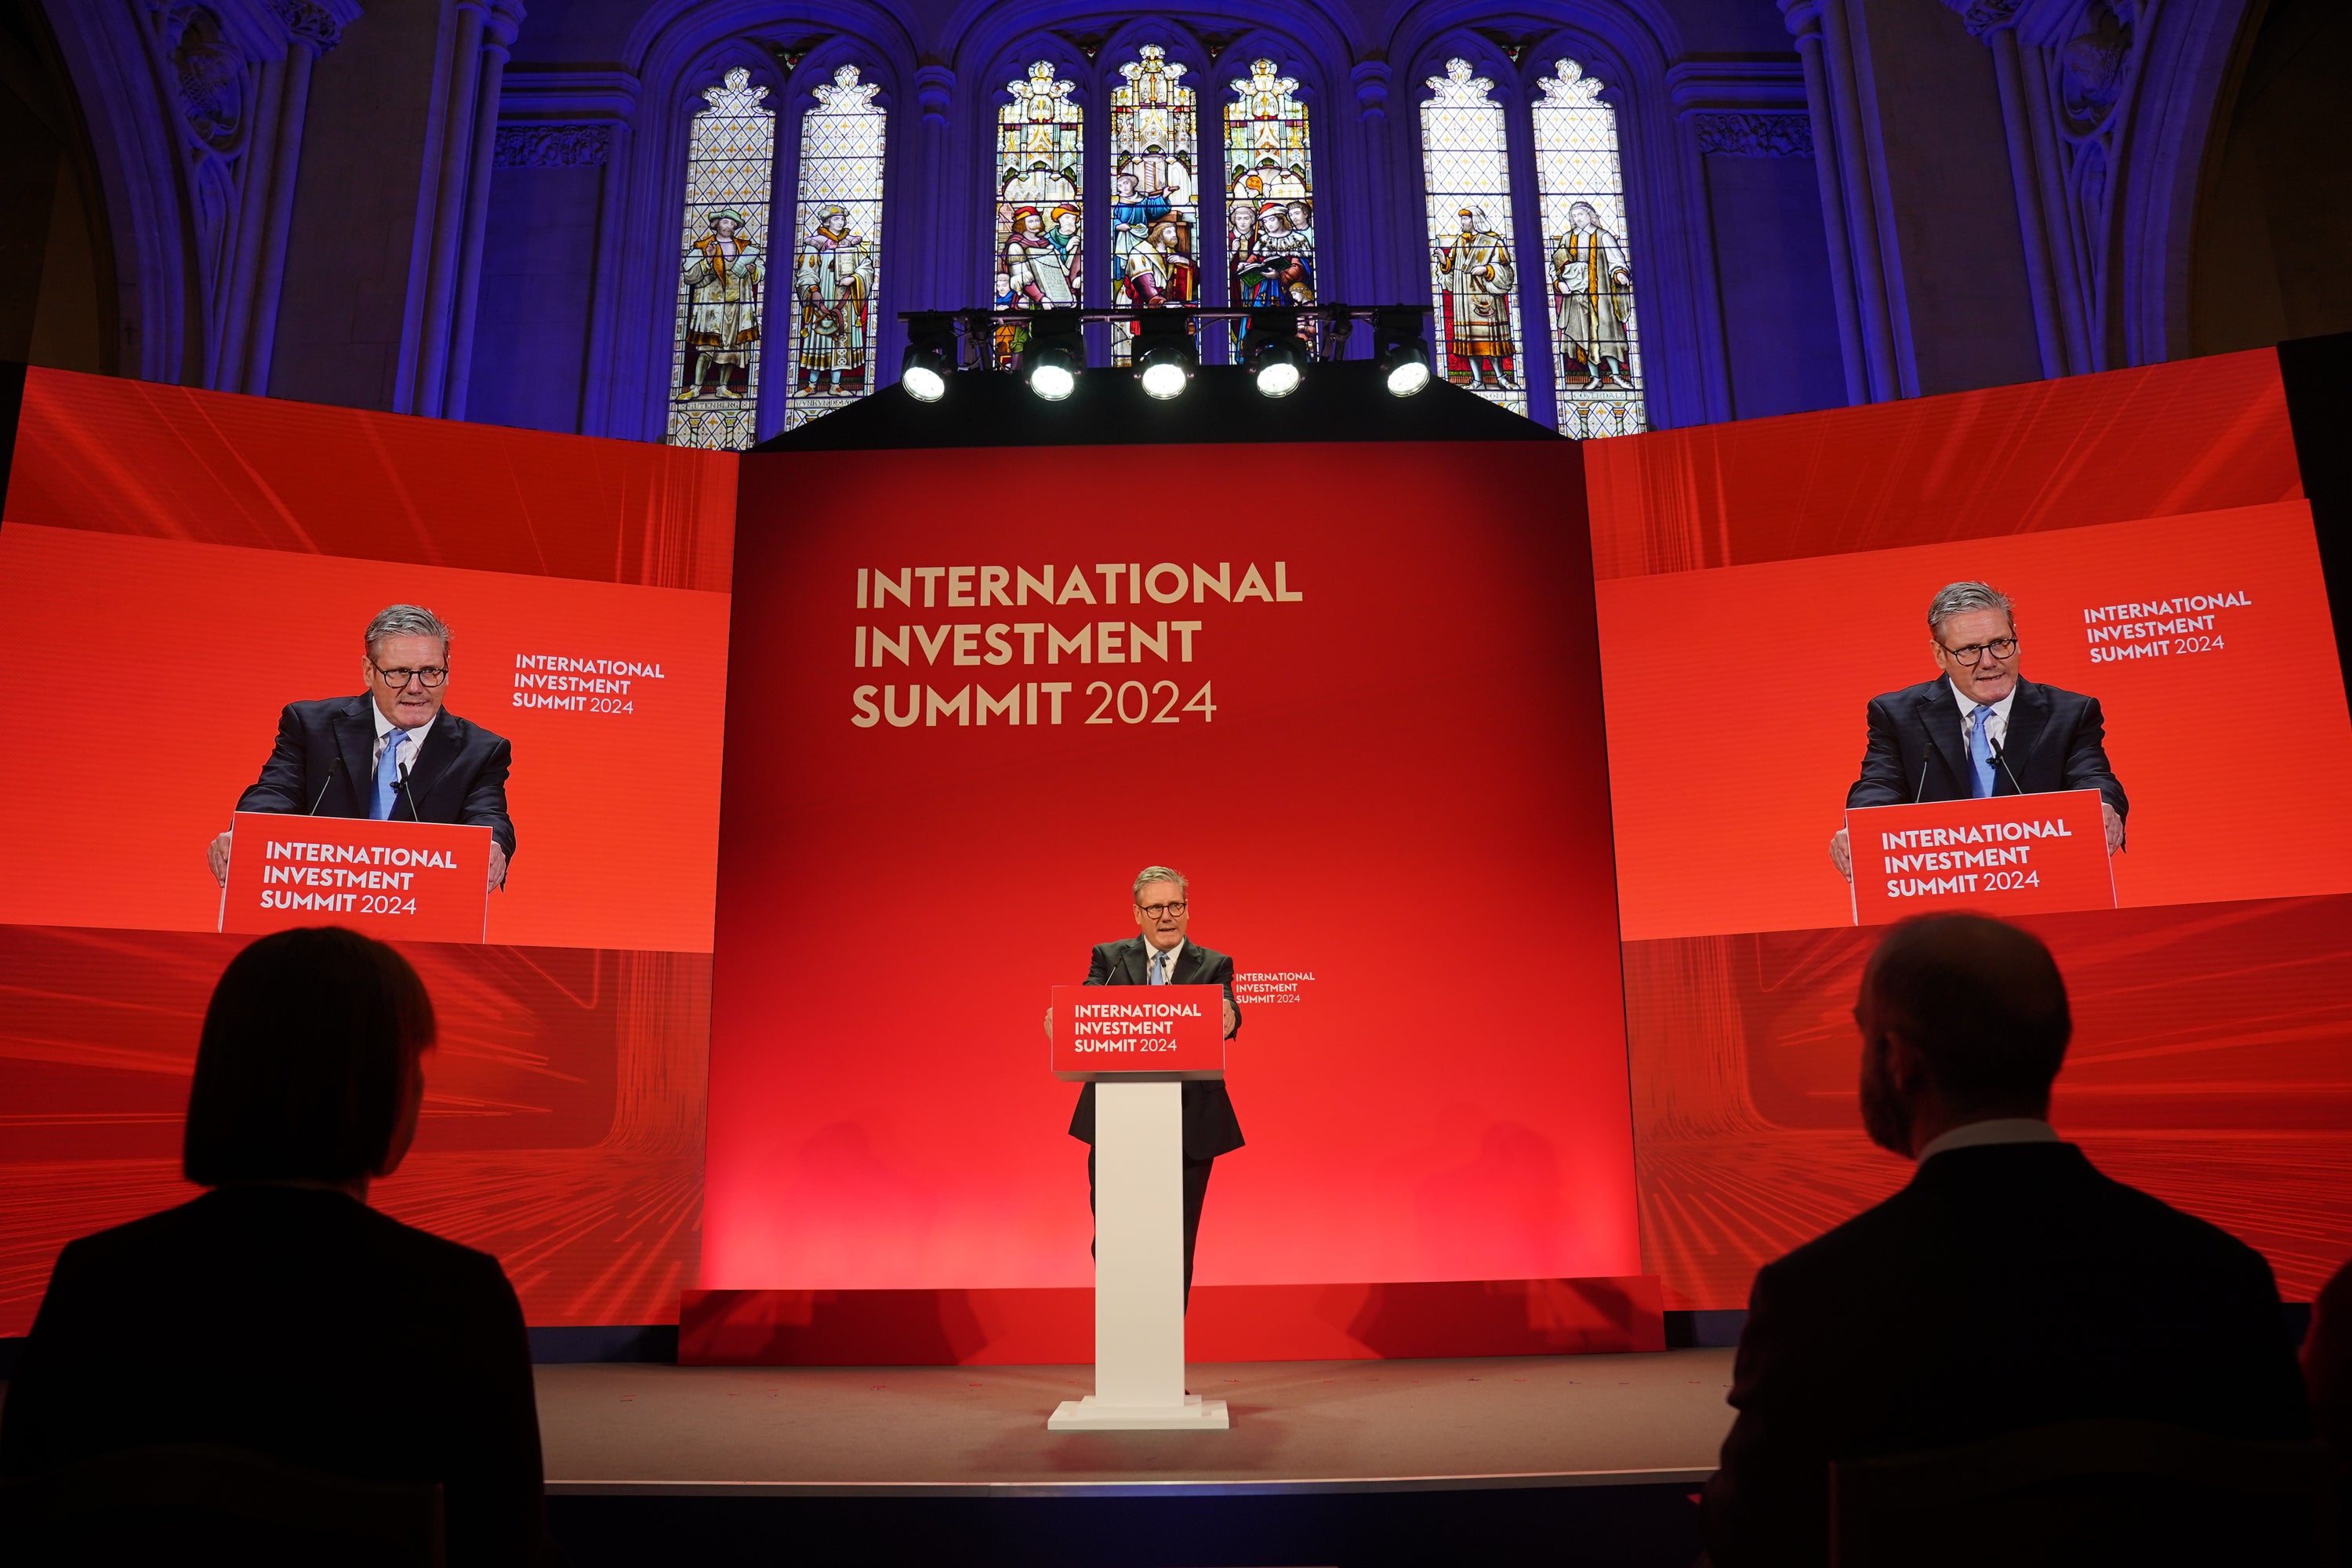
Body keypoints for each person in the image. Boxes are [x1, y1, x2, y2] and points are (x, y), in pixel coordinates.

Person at [1700, 913, 2309, 1566]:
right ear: (2057, 1045)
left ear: (1900, 1061)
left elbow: (1749, 1544)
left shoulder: (1813, 1300)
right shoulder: (2224, 1279)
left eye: (1865, 1036)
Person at [0, 927, 560, 1566]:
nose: (424, 1087)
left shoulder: (94, 1282)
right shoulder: (462, 1299)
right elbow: (504, 1546)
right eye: (415, 1059)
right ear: (382, 1082)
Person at [209, 604, 514, 894]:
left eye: (431, 672)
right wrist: (248, 834)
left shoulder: (481, 750)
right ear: (369, 671)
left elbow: (487, 815)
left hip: (418, 908)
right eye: (399, 672)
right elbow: (277, 791)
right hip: (320, 898)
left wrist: (492, 846)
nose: (416, 687)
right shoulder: (312, 726)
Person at [1830, 581, 2126, 880]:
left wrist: (2101, 806)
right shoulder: (1897, 715)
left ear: (2017, 641)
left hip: (2045, 876)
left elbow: (2091, 777)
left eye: (2000, 643)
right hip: (1943, 882)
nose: (1989, 662)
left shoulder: (2070, 713)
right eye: (1970, 650)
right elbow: (1881, 785)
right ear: (1940, 654)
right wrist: (1859, 829)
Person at [1054, 866, 1242, 1301]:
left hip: (1189, 1120)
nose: (1166, 916)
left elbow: (1227, 1005)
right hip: (1119, 1116)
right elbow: (1088, 1002)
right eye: (1155, 907)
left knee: (1179, 1239)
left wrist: (1230, 1016)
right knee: (1114, 1235)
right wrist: (1065, 1022)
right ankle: (1126, 1322)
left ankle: (1167, 1337)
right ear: (1137, 914)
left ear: (1187, 910)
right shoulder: (1110, 957)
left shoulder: (1213, 963)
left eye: (1175, 905)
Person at [1551, 200, 1634, 388]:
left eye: (1580, 214)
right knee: (1583, 336)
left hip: (1601, 295)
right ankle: (1595, 377)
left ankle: (1616, 375)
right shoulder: (1567, 238)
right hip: (1577, 298)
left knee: (1607, 334)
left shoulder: (1603, 236)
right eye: (1573, 216)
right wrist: (1559, 282)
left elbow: (1616, 260)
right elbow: (1556, 265)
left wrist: (1620, 273)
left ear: (1591, 215)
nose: (1576, 218)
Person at [1433, 207, 1517, 390]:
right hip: (1464, 300)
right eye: (1462, 219)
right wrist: (1443, 260)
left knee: (1491, 341)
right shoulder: (1459, 242)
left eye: (1465, 219)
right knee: (1471, 342)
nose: (1462, 223)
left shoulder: (1492, 241)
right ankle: (1477, 380)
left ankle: (1501, 377)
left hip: (1486, 297)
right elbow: (1452, 266)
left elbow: (1506, 269)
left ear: (1475, 220)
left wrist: (1487, 269)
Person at [680, 208, 761, 397]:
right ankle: (696, 387)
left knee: (732, 350)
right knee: (707, 348)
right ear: (716, 224)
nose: (730, 226)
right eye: (726, 222)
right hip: (711, 306)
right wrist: (708, 260)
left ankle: (723, 387)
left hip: (738, 306)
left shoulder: (744, 247)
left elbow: (760, 273)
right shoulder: (703, 246)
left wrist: (753, 269)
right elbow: (689, 276)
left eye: (733, 224)